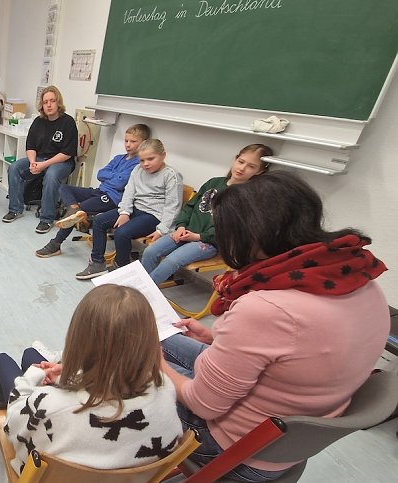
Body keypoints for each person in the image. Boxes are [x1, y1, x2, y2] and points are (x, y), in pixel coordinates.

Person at [161, 172, 389, 481]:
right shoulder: (359, 280)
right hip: (286, 434)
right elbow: (299, 347)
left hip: (231, 446)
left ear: (249, 237)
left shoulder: (265, 308)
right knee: (155, 338)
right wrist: (216, 337)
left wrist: (155, 364)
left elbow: (204, 405)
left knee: (124, 364)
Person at [0, 284, 182, 473]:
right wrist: (76, 374)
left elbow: (12, 428)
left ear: (78, 341)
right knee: (30, 354)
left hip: (43, 465)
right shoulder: (165, 388)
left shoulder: (51, 407)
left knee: (4, 361)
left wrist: (33, 375)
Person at [141, 144, 272, 285]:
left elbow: (230, 230)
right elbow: (190, 207)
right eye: (241, 162)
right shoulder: (214, 182)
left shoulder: (247, 197)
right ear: (235, 159)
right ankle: (146, 286)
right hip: (184, 232)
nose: (242, 168)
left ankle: (143, 289)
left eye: (251, 166)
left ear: (259, 171)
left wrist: (199, 236)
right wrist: (181, 226)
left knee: (171, 261)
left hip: (208, 242)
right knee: (150, 251)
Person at [35, 123, 149, 258]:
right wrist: (114, 176)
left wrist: (110, 176)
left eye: (133, 141)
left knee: (77, 212)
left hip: (112, 198)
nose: (128, 144)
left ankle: (56, 243)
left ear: (143, 143)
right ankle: (74, 208)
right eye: (126, 141)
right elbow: (100, 174)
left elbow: (119, 184)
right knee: (65, 188)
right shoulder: (118, 158)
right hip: (99, 191)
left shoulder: (139, 164)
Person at [76, 139, 182, 280]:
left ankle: (121, 266)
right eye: (142, 160)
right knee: (99, 221)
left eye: (151, 159)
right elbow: (129, 193)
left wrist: (162, 229)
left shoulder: (171, 175)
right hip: (135, 209)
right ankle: (97, 263)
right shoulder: (137, 170)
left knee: (122, 232)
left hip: (154, 216)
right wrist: (125, 212)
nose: (145, 164)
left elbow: (173, 206)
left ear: (163, 155)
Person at [2, 85, 78, 234]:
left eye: (52, 101)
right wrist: (32, 162)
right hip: (39, 158)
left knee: (51, 175)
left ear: (58, 102)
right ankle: (15, 209)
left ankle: (47, 218)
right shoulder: (38, 121)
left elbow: (67, 153)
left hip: (61, 161)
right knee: (14, 168)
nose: (49, 105)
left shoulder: (68, 122)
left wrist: (44, 165)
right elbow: (30, 146)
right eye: (45, 102)